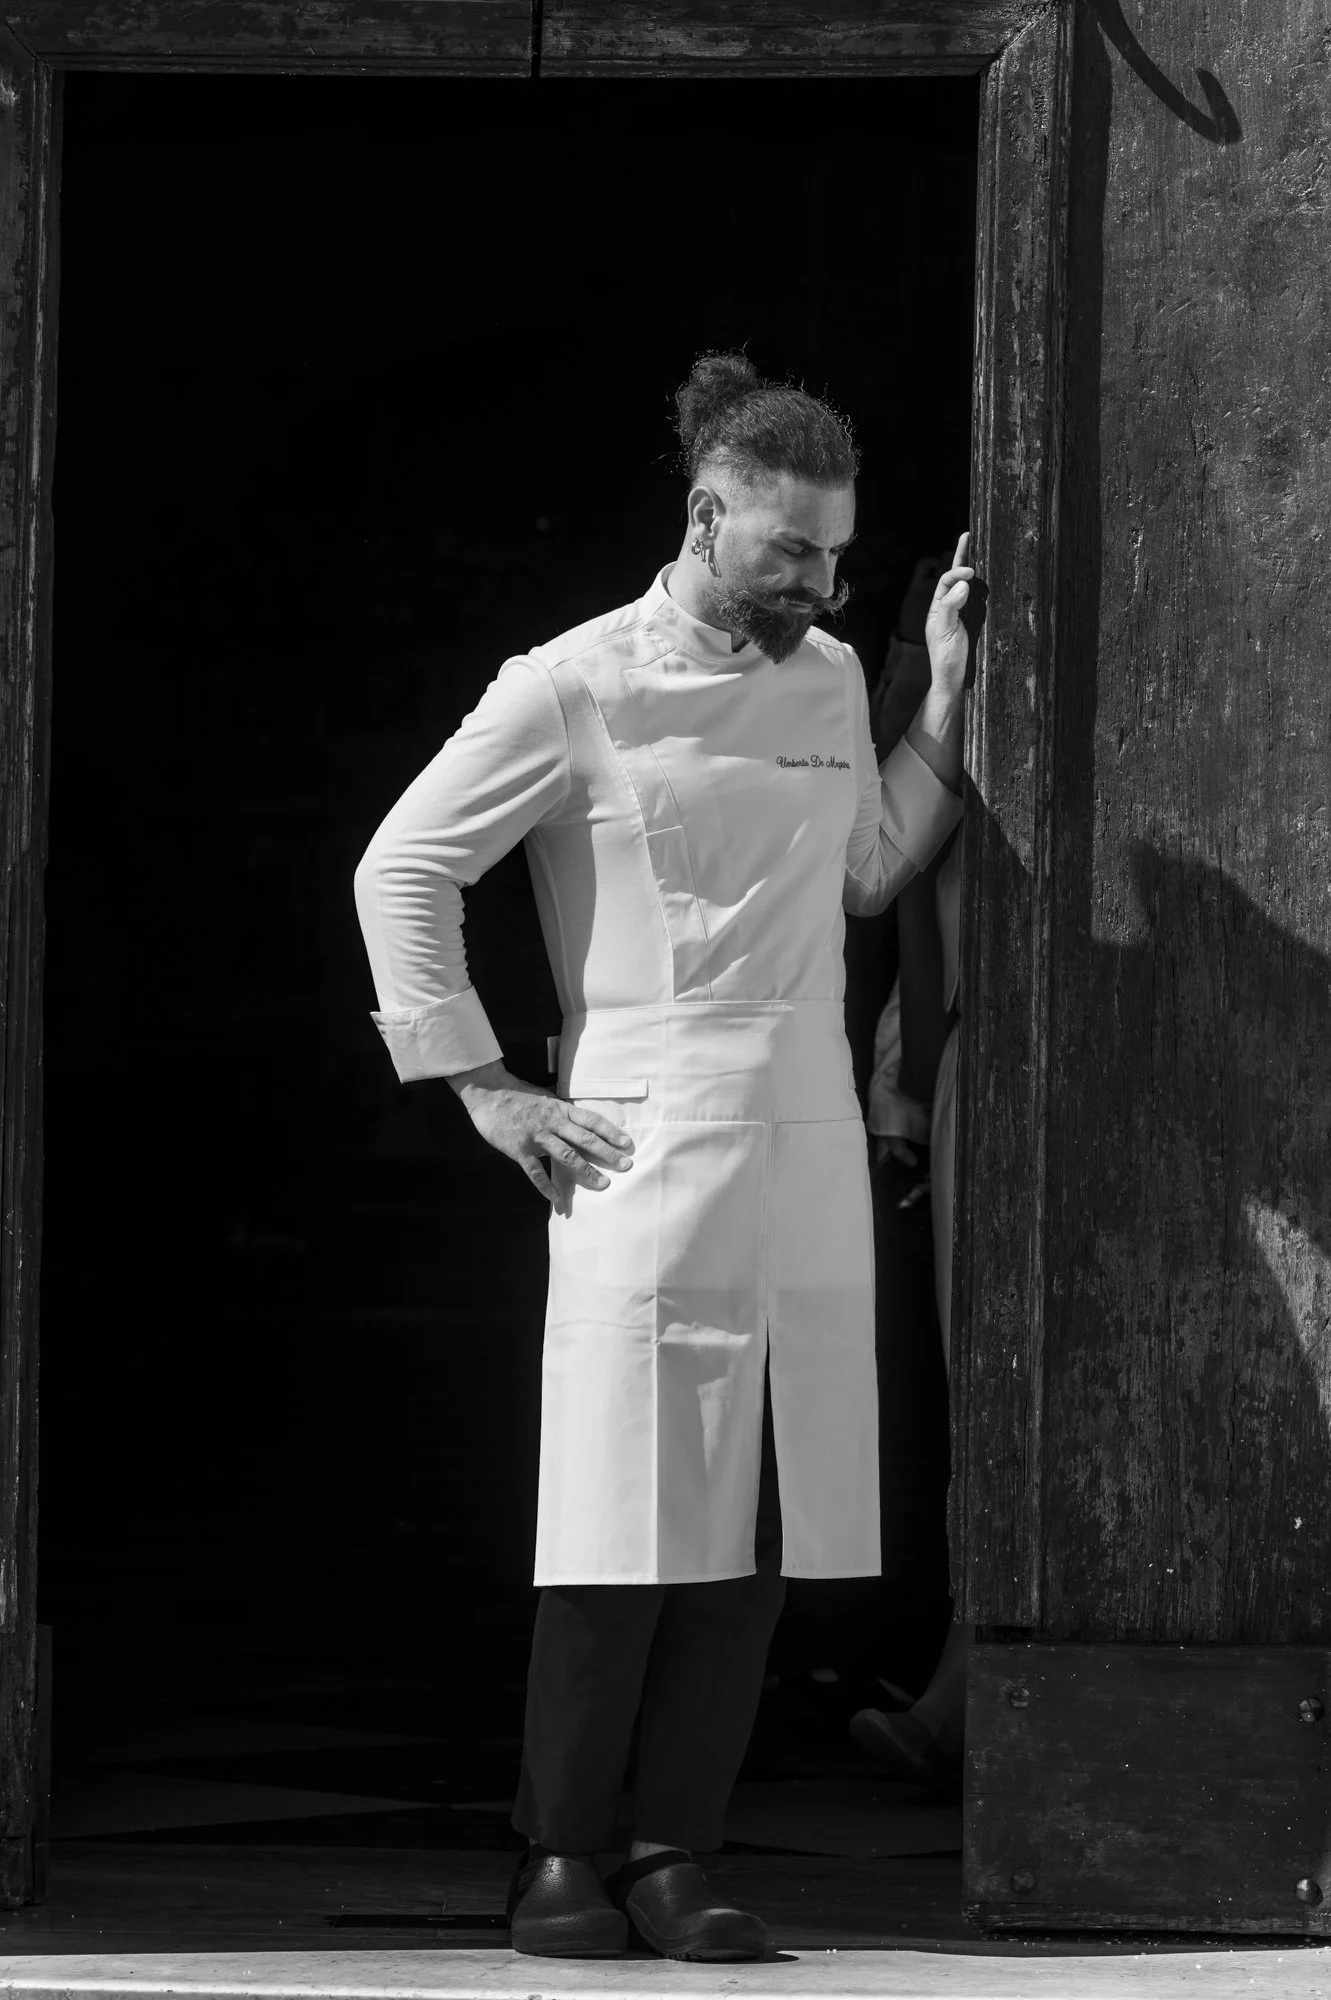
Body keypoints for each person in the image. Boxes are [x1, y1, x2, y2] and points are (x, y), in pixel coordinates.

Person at [353, 352, 975, 1961]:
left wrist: (941, 703)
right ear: (705, 518)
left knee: (758, 1515)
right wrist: (481, 1085)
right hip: (637, 1132)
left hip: (804, 1129)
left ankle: (673, 1851)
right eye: (790, 550)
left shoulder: (827, 679)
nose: (819, 582)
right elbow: (401, 867)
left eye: (834, 553)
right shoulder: (572, 682)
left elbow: (863, 874)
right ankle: (558, 1853)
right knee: (617, 1509)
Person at [852, 593, 969, 1787]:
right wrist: (905, 1097)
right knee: (981, 1381)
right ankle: (963, 1680)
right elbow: (900, 898)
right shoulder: (947, 696)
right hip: (983, 1058)